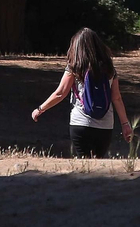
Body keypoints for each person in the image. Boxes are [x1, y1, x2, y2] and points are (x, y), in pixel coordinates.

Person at [31, 27, 133, 158]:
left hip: (81, 123)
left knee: (84, 164)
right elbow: (117, 98)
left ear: (77, 46)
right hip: (105, 126)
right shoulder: (109, 69)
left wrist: (40, 109)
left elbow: (60, 93)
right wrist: (125, 124)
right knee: (98, 164)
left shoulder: (75, 67)